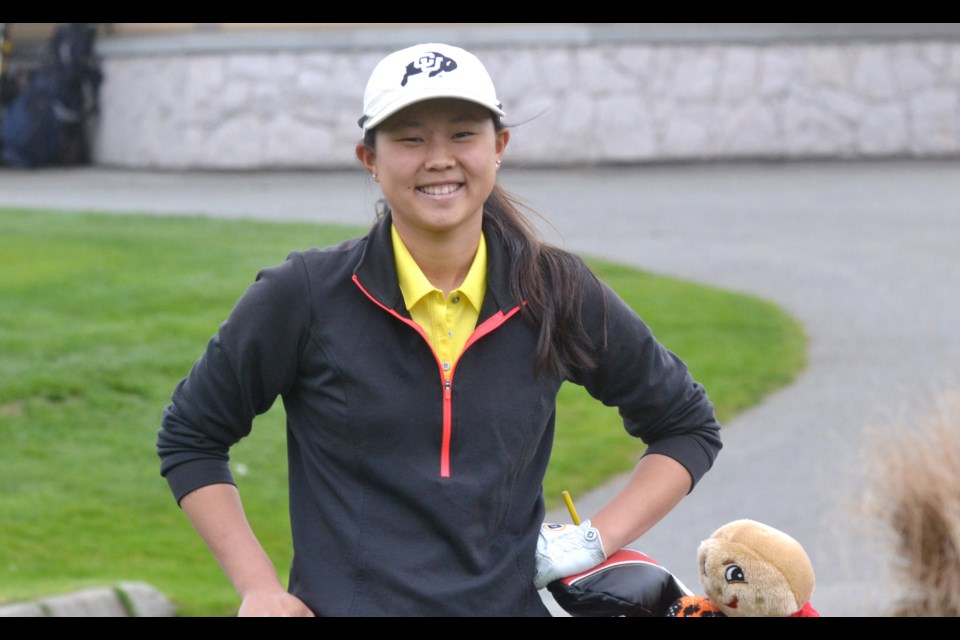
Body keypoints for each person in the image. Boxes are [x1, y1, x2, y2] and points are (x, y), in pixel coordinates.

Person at [156, 42, 723, 617]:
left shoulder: (556, 290)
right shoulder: (303, 295)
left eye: (462, 134)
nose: (438, 158)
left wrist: (594, 539)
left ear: (498, 147)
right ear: (368, 159)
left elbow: (685, 424)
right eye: (409, 139)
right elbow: (192, 436)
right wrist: (258, 587)